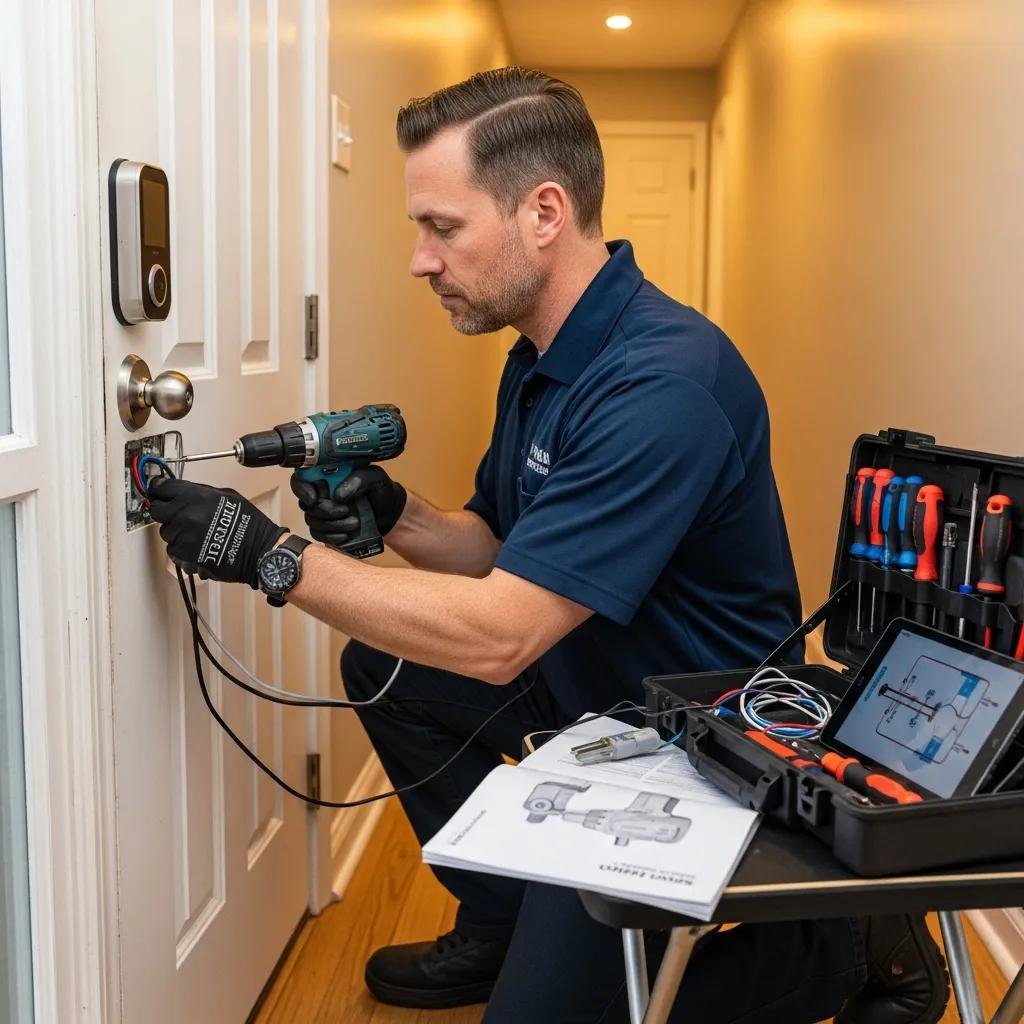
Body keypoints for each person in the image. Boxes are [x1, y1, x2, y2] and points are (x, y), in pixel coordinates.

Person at [149, 67, 948, 1024]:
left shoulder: (664, 385)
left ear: (543, 212)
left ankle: (846, 950)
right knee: (385, 666)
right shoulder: (539, 354)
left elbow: (499, 632)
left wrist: (270, 557)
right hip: (586, 680)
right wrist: (398, 512)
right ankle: (505, 917)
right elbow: (499, 547)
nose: (420, 259)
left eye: (442, 227)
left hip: (699, 738)